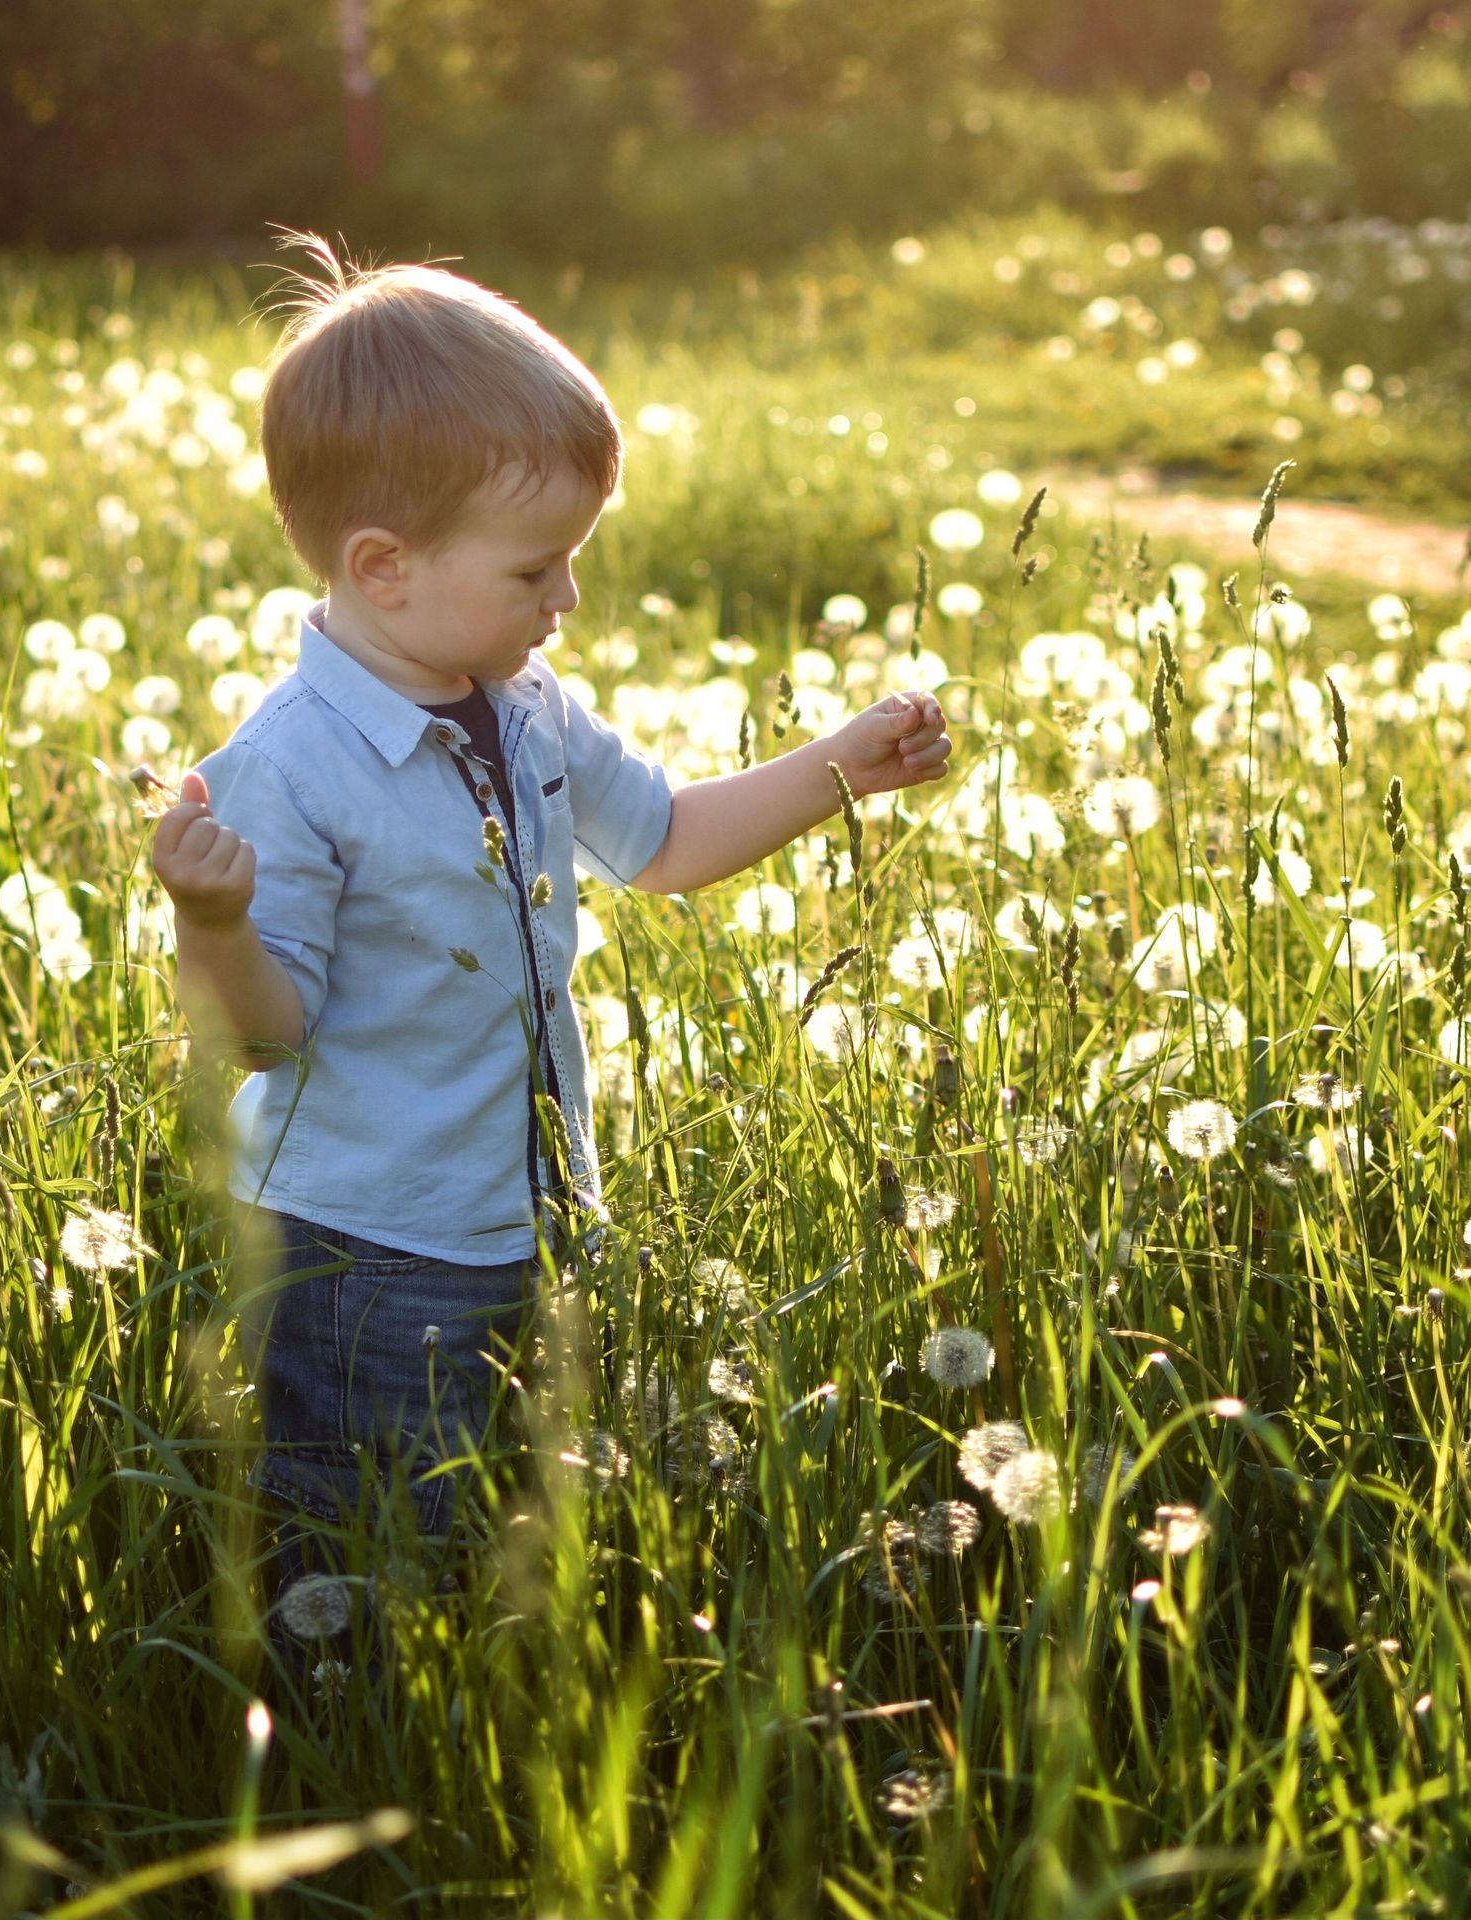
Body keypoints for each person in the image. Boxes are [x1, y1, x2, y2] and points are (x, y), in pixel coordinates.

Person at [147, 253, 951, 1602]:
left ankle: (479, 1723)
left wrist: (840, 768)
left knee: (497, 1525)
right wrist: (214, 919)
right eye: (538, 569)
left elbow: (670, 845)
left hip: (529, 1208)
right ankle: (347, 1759)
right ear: (383, 568)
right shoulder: (286, 772)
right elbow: (265, 1034)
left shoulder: (528, 706)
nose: (566, 601)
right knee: (363, 1549)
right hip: (366, 1245)